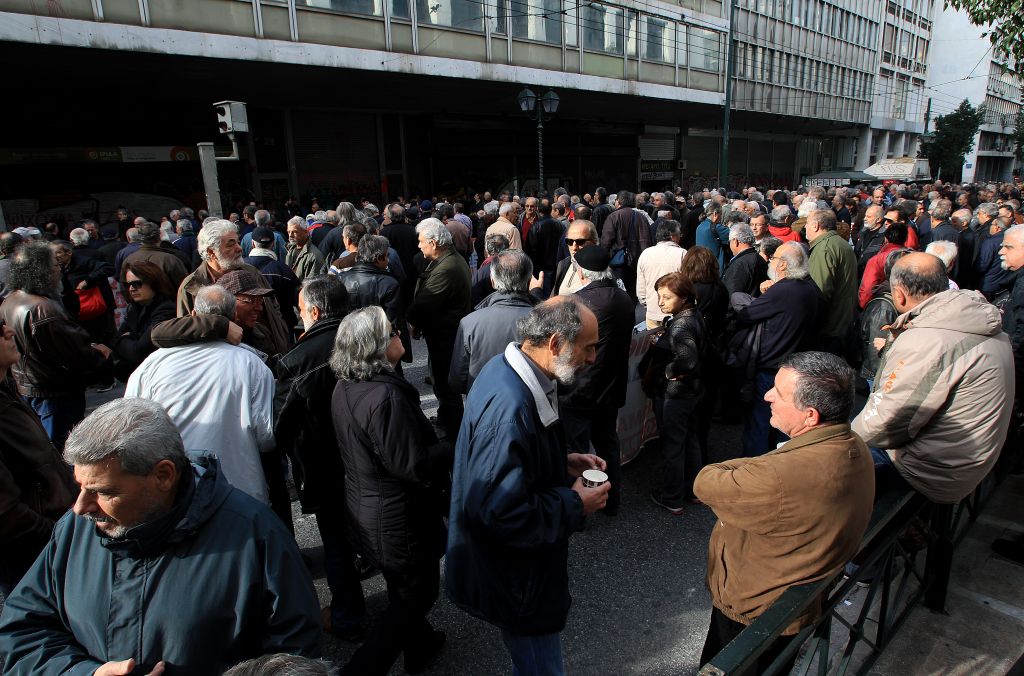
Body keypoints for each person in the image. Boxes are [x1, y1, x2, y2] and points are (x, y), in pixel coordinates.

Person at [0, 398, 322, 675]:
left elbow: (295, 660)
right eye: (80, 486)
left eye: (102, 492)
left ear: (164, 475)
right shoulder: (74, 531)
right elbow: (20, 632)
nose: (80, 506)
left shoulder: (258, 536)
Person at [446, 296, 610, 676]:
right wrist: (574, 503)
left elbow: (511, 458)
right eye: (588, 348)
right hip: (519, 580)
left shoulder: (513, 369)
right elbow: (498, 510)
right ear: (555, 344)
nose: (592, 359)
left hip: (519, 573)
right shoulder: (511, 404)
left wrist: (561, 459)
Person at [695, 352, 874, 675]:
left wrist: (754, 464)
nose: (767, 396)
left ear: (810, 416)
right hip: (790, 602)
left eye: (778, 393)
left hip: (754, 611)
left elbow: (706, 481)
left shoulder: (779, 476)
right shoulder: (852, 444)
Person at [330, 306, 450, 676]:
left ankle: (421, 646)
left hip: (369, 507)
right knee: (418, 592)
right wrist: (453, 445)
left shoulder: (347, 386)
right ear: (377, 346)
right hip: (395, 515)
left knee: (404, 587)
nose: (399, 334)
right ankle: (362, 669)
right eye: (392, 331)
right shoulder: (385, 398)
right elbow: (410, 464)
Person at [852, 253, 1014, 502]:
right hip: (968, 459)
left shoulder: (928, 340)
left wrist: (836, 440)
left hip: (934, 471)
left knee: (827, 467)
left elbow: (886, 425)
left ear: (899, 293)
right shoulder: (973, 317)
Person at [273, 275, 368, 640]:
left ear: (313, 311)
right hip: (368, 455)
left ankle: (348, 616)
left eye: (300, 310)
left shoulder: (298, 359)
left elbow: (279, 426)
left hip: (325, 464)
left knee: (337, 542)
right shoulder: (364, 338)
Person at [125, 285, 276, 504]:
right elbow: (266, 437)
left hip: (174, 491)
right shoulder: (251, 363)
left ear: (193, 315)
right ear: (234, 316)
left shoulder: (152, 364)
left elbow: (132, 429)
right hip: (239, 490)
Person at [0, 242, 110, 451]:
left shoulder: (11, 300)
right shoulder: (42, 309)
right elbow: (75, 354)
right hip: (54, 393)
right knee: (63, 449)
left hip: (33, 388)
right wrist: (100, 354)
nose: (59, 270)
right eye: (55, 265)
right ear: (41, 271)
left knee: (52, 446)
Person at [0, 315, 76, 595]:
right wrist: (56, 534)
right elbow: (6, 514)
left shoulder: (7, 390)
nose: (9, 331)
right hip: (31, 555)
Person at [559, 246, 635, 517]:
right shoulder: (624, 298)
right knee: (607, 445)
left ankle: (582, 506)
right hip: (611, 385)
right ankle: (611, 502)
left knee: (577, 452)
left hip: (579, 388)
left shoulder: (577, 301)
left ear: (580, 271)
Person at [737, 242, 822, 456]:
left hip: (771, 369)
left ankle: (754, 471)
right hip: (795, 367)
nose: (770, 261)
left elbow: (747, 314)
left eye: (774, 258)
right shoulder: (810, 288)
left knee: (760, 425)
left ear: (783, 265)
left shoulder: (785, 290)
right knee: (785, 426)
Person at [177, 219, 291, 354]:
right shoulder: (191, 286)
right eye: (231, 244)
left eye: (237, 242)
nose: (239, 248)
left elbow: (274, 310)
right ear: (211, 252)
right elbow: (187, 330)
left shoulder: (252, 273)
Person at [645, 271, 707, 515]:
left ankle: (672, 498)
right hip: (693, 392)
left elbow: (687, 360)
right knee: (690, 440)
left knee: (674, 444)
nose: (661, 302)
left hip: (677, 394)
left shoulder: (681, 323)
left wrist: (669, 371)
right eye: (659, 296)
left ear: (684, 298)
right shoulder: (693, 315)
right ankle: (692, 491)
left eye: (667, 297)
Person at [407, 218, 472, 440]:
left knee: (445, 387)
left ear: (434, 243)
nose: (418, 245)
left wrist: (413, 321)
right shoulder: (447, 260)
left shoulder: (448, 267)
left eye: (421, 241)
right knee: (442, 385)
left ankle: (452, 432)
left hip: (445, 336)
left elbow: (424, 303)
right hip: (444, 334)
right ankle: (447, 420)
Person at [449, 250, 539, 395]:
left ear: (492, 281)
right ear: (529, 282)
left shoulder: (469, 323)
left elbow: (457, 381)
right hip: (532, 405)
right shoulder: (544, 320)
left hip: (482, 403)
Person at [110, 260, 178, 382]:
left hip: (160, 376)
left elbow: (138, 352)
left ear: (153, 283)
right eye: (128, 284)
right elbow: (115, 340)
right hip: (139, 375)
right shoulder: (134, 307)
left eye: (136, 284)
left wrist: (124, 339)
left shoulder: (166, 309)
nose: (131, 289)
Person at [805, 208, 858, 355]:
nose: (805, 227)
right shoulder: (841, 243)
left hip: (829, 328)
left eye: (807, 223)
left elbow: (819, 291)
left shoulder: (824, 249)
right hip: (842, 323)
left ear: (816, 226)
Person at [245, 226, 301, 332]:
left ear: (253, 244)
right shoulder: (283, 270)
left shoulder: (240, 268)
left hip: (250, 329)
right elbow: (299, 299)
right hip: (282, 328)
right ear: (273, 244)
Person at [636, 219, 686, 328]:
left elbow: (641, 291)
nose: (680, 237)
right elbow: (687, 286)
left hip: (652, 313)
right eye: (679, 234)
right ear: (673, 236)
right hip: (676, 314)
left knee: (654, 343)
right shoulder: (682, 254)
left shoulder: (645, 253)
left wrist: (650, 304)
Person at [552, 220, 599, 296]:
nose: (574, 247)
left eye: (580, 242)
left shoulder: (602, 272)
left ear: (594, 242)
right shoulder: (563, 264)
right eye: (569, 241)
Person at [722, 223, 768, 297]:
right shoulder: (759, 258)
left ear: (735, 241)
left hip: (743, 307)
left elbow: (733, 296)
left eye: (729, 242)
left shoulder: (739, 264)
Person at [286, 216, 326, 283]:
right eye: (288, 232)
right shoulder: (290, 250)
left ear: (306, 232)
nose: (290, 235)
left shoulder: (314, 255)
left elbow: (312, 285)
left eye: (294, 232)